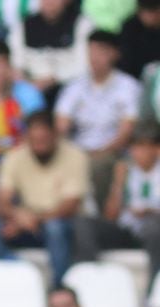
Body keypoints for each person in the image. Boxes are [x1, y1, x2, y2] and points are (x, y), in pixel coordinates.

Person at [0, 111, 87, 284]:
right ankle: (8, 278)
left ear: (55, 136)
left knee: (55, 229)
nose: (39, 146)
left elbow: (70, 206)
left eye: (44, 140)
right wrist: (19, 217)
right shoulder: (14, 156)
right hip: (25, 222)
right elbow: (1, 203)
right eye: (34, 141)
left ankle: (59, 288)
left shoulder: (75, 156)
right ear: (26, 138)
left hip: (60, 222)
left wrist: (32, 219)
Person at [56, 30, 139, 209]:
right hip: (78, 150)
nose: (94, 57)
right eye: (91, 51)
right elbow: (61, 124)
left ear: (115, 54)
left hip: (112, 152)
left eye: (101, 51)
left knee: (97, 165)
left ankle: (101, 218)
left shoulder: (128, 86)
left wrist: (98, 153)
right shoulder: (75, 86)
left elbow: (126, 132)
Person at [83, 126, 160, 277]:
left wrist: (150, 211)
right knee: (84, 225)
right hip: (128, 229)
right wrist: (118, 184)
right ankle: (89, 277)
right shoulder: (126, 171)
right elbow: (111, 215)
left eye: (145, 146)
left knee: (153, 228)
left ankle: (153, 288)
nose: (139, 152)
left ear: (157, 149)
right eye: (136, 147)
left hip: (154, 231)